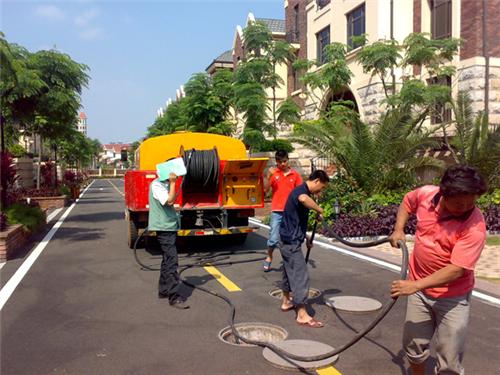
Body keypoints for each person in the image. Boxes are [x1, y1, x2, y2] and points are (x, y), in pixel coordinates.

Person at [389, 165, 488, 375]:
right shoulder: (426, 195)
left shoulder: (475, 225)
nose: (467, 207)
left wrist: (414, 285)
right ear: (444, 193)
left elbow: (457, 269)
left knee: (449, 360)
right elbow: (408, 202)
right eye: (461, 203)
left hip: (453, 297)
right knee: (413, 346)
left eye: (472, 202)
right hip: (419, 291)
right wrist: (398, 229)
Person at [279, 169, 330, 328]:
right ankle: (302, 314)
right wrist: (319, 209)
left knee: (289, 271)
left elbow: (295, 219)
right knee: (300, 275)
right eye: (321, 187)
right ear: (316, 181)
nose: (320, 191)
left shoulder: (300, 191)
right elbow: (303, 199)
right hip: (290, 241)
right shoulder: (301, 192)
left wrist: (306, 238)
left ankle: (286, 302)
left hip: (287, 238)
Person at [148, 171, 189, 309]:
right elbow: (170, 201)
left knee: (167, 260)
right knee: (172, 260)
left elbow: (173, 199)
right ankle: (174, 297)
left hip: (169, 226)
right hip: (163, 227)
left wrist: (173, 184)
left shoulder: (164, 185)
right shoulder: (157, 185)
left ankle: (164, 290)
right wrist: (172, 183)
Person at [263, 150, 303, 272]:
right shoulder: (274, 174)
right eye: (280, 162)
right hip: (277, 210)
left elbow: (300, 191)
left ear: (288, 160)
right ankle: (269, 256)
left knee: (291, 238)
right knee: (274, 238)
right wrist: (268, 175)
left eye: (284, 161)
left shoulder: (295, 175)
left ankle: (290, 261)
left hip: (291, 211)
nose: (282, 164)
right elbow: (265, 190)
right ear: (276, 162)